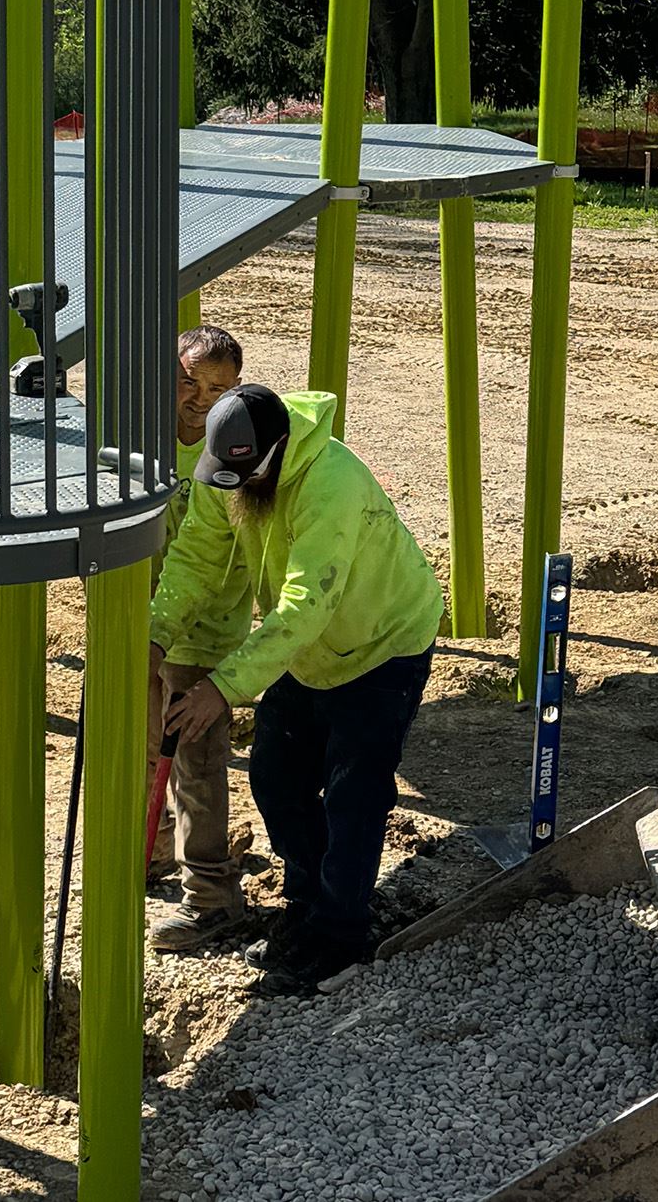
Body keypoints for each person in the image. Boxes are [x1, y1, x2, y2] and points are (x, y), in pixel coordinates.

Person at [150, 384, 443, 995]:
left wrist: (221, 687)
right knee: (277, 778)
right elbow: (197, 557)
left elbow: (304, 607)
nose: (230, 487)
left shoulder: (330, 485)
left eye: (242, 475)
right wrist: (155, 637)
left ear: (276, 453)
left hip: (380, 646)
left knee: (353, 792)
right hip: (307, 648)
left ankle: (340, 938)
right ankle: (308, 905)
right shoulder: (232, 472)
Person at [145, 326, 255, 951]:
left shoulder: (230, 452)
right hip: (149, 624)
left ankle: (212, 897)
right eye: (190, 381)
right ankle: (155, 848)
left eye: (218, 388)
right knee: (143, 742)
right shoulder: (142, 442)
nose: (200, 397)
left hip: (204, 628)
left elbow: (213, 561)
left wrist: (168, 635)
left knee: (198, 760)